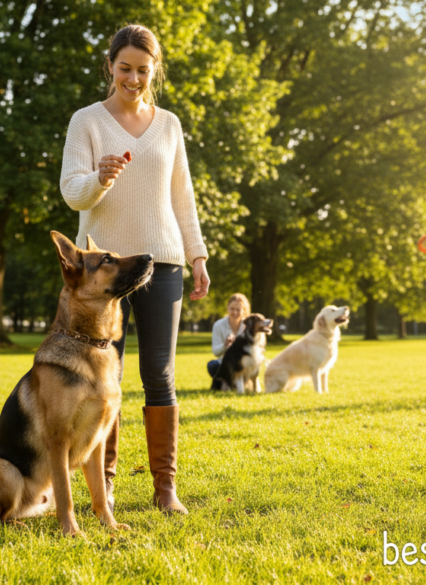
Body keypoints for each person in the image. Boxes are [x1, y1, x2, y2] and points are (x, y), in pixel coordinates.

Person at [59, 24, 209, 515]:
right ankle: (105, 483)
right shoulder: (87, 121)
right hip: (103, 272)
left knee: (159, 375)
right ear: (110, 67)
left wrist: (197, 255)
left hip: (162, 262)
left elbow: (182, 198)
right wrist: (98, 179)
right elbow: (71, 191)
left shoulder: (168, 125)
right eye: (125, 68)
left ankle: (165, 488)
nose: (134, 78)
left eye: (143, 70)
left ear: (154, 71)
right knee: (105, 378)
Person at [207, 293, 250, 379]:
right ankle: (225, 383)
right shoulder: (218, 325)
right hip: (225, 362)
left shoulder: (248, 326)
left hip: (243, 363)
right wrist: (225, 345)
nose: (234, 312)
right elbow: (215, 352)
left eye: (238, 310)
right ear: (227, 308)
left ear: (244, 310)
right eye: (232, 309)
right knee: (213, 365)